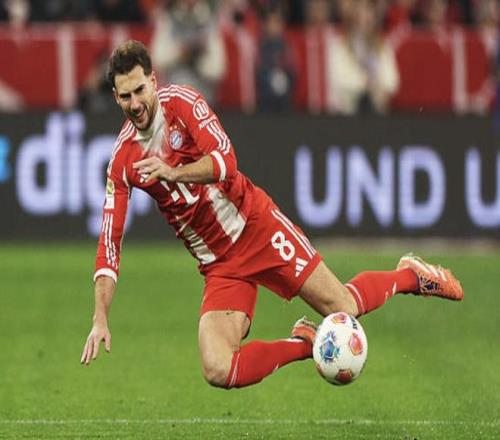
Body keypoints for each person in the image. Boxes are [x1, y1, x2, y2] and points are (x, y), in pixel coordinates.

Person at [80, 40, 464, 389]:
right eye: (125, 96)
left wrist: (173, 172)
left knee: (344, 309)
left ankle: (410, 276)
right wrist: (100, 317)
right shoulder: (123, 160)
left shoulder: (183, 102)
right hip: (219, 265)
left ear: (153, 80)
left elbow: (225, 162)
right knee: (217, 369)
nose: (135, 103)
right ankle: (305, 344)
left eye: (140, 90)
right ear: (115, 97)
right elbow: (109, 243)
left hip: (257, 226)